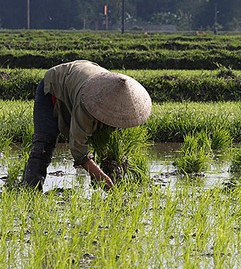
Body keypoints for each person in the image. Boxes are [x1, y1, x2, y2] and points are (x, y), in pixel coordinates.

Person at [23, 60, 152, 191]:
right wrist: (101, 176)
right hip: (54, 86)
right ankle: (30, 190)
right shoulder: (87, 102)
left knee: (102, 139)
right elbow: (78, 147)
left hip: (80, 77)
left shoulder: (118, 102)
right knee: (44, 144)